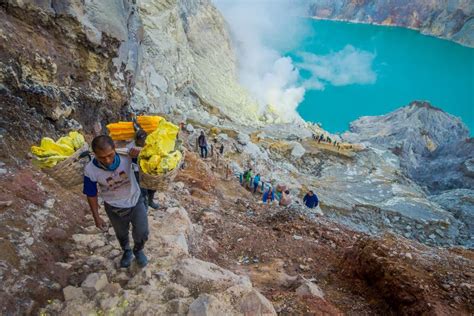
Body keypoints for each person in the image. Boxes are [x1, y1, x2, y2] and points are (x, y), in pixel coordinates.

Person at [83, 135, 149, 268]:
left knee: (142, 232)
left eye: (110, 155)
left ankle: (138, 249)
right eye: (101, 157)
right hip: (114, 208)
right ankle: (126, 251)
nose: (107, 160)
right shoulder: (90, 170)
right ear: (94, 154)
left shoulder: (127, 156)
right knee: (121, 233)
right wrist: (96, 217)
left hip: (135, 201)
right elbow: (91, 194)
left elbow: (148, 162)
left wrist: (140, 152)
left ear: (115, 149)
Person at [126, 130, 159, 210]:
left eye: (144, 142)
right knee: (142, 189)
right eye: (140, 142)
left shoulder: (150, 144)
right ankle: (144, 205)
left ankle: (150, 201)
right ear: (136, 140)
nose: (142, 143)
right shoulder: (130, 147)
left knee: (153, 186)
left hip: (148, 169)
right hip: (136, 170)